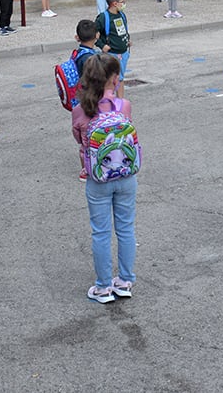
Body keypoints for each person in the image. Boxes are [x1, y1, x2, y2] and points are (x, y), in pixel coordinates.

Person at [72, 54, 137, 303]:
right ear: (114, 78)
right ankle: (125, 281)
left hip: (98, 178)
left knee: (100, 232)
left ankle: (103, 287)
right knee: (126, 228)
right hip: (126, 176)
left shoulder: (80, 110)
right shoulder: (124, 106)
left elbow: (80, 140)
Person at [73, 19, 102, 180]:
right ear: (97, 35)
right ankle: (91, 167)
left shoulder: (77, 53)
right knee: (92, 135)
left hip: (81, 98)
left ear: (77, 37)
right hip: (91, 99)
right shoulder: (91, 58)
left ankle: (85, 169)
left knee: (84, 137)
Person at [96, 0, 131, 97]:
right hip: (112, 54)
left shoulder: (122, 15)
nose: (124, 4)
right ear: (115, 3)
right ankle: (109, 100)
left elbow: (123, 30)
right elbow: (93, 33)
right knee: (111, 79)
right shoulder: (103, 17)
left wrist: (127, 40)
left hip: (124, 53)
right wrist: (102, 45)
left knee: (120, 78)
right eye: (122, 1)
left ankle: (120, 102)